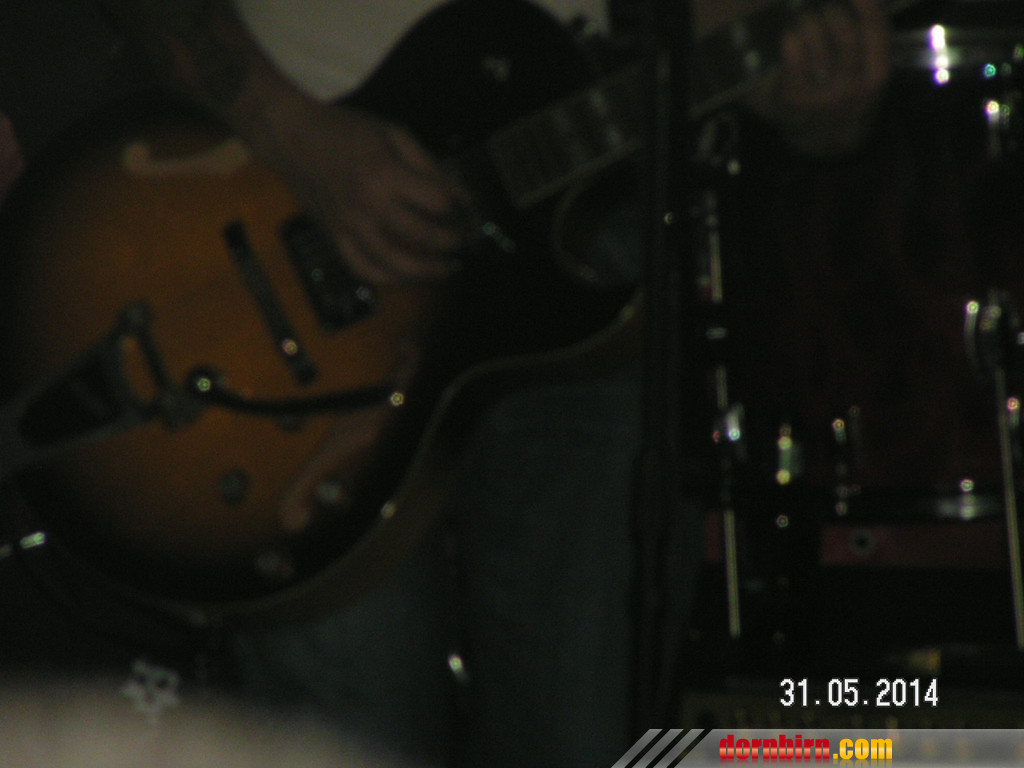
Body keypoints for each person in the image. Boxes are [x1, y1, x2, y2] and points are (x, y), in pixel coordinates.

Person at [2, 0, 891, 766]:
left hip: (582, 236)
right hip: (275, 207)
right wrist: (298, 138)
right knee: (356, 737)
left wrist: (800, 88)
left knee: (580, 732)